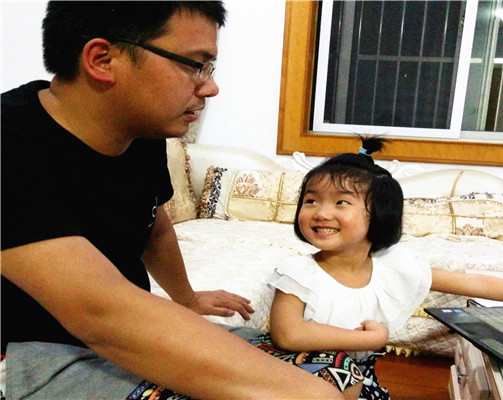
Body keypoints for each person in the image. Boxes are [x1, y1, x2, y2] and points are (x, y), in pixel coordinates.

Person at [1, 2, 344, 399]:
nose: (210, 87)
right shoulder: (12, 143)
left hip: (120, 337)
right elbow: (100, 312)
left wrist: (188, 299)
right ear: (102, 59)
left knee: (340, 370)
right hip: (29, 355)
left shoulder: (140, 131)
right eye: (195, 65)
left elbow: (154, 226)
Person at [264, 137, 503, 399]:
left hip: (359, 383)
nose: (321, 213)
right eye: (311, 200)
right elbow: (288, 334)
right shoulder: (298, 272)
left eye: (341, 202)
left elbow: (474, 283)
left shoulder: (393, 267)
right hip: (296, 377)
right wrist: (367, 338)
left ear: (379, 215)